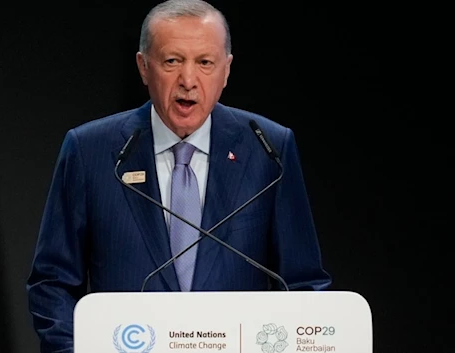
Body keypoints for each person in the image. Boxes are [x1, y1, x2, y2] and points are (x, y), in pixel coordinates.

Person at [26, 0, 331, 351]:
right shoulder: (90, 150)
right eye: (172, 61)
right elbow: (52, 281)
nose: (188, 80)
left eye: (205, 63)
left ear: (226, 70)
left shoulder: (268, 149)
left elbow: (303, 281)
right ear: (144, 67)